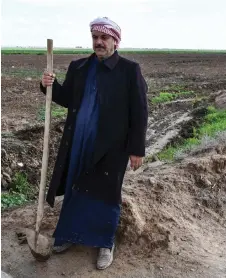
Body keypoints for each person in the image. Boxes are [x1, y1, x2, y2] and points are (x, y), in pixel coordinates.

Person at [40, 17, 148, 270]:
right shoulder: (79, 67)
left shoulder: (129, 70)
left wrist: (136, 149)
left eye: (104, 38)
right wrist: (49, 86)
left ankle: (104, 243)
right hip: (78, 142)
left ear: (115, 41)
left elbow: (139, 112)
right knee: (75, 187)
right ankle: (68, 236)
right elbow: (66, 98)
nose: (99, 42)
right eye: (95, 38)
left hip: (112, 147)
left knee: (106, 194)